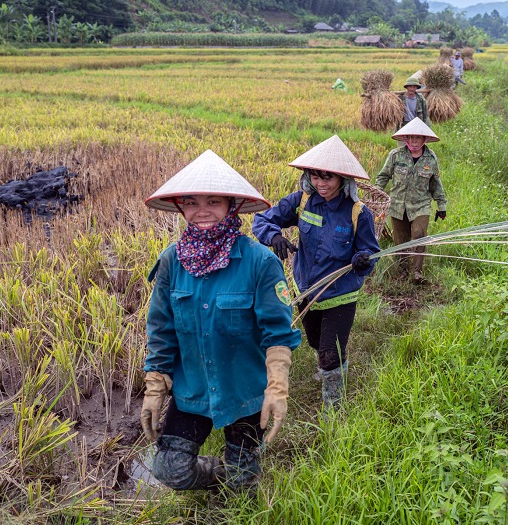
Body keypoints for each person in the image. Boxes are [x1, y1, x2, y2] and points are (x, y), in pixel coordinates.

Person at [141, 150, 302, 496]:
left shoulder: (260, 262)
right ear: (181, 206)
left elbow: (278, 332)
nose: (202, 211)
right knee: (171, 470)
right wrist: (155, 388)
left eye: (213, 201)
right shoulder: (172, 262)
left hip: (245, 391)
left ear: (232, 204)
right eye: (192, 202)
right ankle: (216, 471)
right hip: (193, 390)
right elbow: (161, 329)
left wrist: (277, 387)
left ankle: (236, 474)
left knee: (242, 484)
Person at [252, 136, 380, 410]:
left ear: (343, 179)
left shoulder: (359, 213)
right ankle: (332, 365)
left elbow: (371, 253)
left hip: (339, 294)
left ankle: (333, 403)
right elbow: (262, 219)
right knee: (314, 341)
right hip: (305, 290)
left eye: (328, 178)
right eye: (315, 176)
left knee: (329, 351)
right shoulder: (302, 201)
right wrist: (273, 236)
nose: (321, 183)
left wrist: (361, 260)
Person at [375, 117, 447, 284]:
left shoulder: (430, 158)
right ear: (406, 139)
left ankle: (417, 273)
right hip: (398, 205)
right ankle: (401, 271)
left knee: (418, 235)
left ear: (424, 139)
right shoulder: (395, 155)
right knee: (400, 239)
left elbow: (436, 182)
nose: (414, 142)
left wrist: (441, 205)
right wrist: (377, 195)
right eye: (411, 138)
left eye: (418, 138)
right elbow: (383, 176)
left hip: (421, 205)